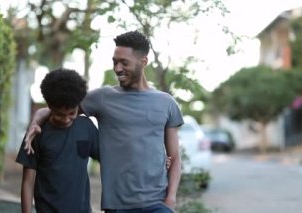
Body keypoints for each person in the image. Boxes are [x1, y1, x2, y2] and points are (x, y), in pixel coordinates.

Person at [24, 30, 183, 213]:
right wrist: (35, 121)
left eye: (124, 63)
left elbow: (175, 157)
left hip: (157, 204)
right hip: (117, 207)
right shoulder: (102, 98)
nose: (117, 68)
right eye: (115, 62)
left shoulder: (166, 103)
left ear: (143, 61)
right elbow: (61, 107)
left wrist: (170, 198)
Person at [16, 68, 99, 213]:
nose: (66, 119)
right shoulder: (35, 134)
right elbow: (27, 184)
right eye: (60, 114)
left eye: (72, 113)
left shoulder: (86, 127)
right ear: (49, 106)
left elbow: (109, 160)